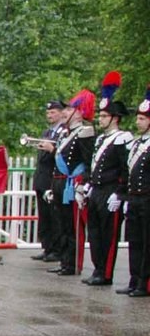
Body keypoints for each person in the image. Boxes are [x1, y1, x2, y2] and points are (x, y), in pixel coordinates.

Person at [81, 90, 132, 287]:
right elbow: (93, 165)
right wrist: (88, 184)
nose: (100, 119)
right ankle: (97, 268)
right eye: (100, 115)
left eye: (104, 116)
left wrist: (120, 193)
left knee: (108, 235)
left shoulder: (122, 139)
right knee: (94, 233)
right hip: (97, 190)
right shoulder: (101, 139)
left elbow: (125, 169)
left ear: (115, 118)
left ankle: (106, 272)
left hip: (111, 190)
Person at [49, 91, 96, 277]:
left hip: (72, 184)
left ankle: (73, 264)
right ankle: (64, 261)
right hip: (61, 183)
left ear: (79, 112)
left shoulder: (85, 132)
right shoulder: (66, 133)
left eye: (69, 109)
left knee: (73, 226)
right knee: (62, 224)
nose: (65, 112)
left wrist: (83, 183)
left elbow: (88, 161)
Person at [117, 92, 150, 297]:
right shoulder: (137, 143)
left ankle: (144, 282)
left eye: (142, 118)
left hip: (147, 197)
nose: (138, 122)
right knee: (134, 240)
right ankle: (134, 277)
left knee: (147, 242)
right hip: (135, 197)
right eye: (138, 118)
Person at [30, 100, 67, 262]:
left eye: (53, 112)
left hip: (52, 179)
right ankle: (47, 247)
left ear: (61, 113)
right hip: (42, 179)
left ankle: (57, 249)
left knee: (54, 216)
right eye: (48, 113)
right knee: (44, 216)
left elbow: (62, 156)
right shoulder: (47, 132)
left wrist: (52, 150)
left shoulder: (63, 132)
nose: (50, 116)